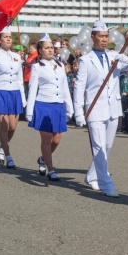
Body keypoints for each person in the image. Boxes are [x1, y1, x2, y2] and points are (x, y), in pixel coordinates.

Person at [73, 20, 128, 197]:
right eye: (101, 36)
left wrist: (126, 59)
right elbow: (79, 87)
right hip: (95, 108)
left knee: (107, 145)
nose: (104, 39)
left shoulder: (114, 56)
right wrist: (78, 112)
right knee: (98, 147)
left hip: (113, 108)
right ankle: (106, 183)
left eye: (106, 36)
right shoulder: (85, 60)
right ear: (93, 37)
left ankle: (92, 176)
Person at [26, 34, 74, 181]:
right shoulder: (36, 67)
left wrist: (69, 107)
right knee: (46, 139)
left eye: (51, 47)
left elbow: (65, 88)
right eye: (47, 48)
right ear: (40, 51)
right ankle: (51, 169)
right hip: (43, 105)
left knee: (57, 139)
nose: (50, 50)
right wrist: (29, 110)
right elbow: (32, 89)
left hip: (58, 105)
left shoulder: (60, 65)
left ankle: (43, 159)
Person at [0, 27, 26, 169]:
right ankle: (8, 156)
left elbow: (20, 78)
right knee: (4, 125)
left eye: (10, 37)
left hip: (14, 93)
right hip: (0, 92)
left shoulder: (17, 56)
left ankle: (1, 148)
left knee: (12, 126)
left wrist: (23, 97)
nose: (9, 39)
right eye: (5, 37)